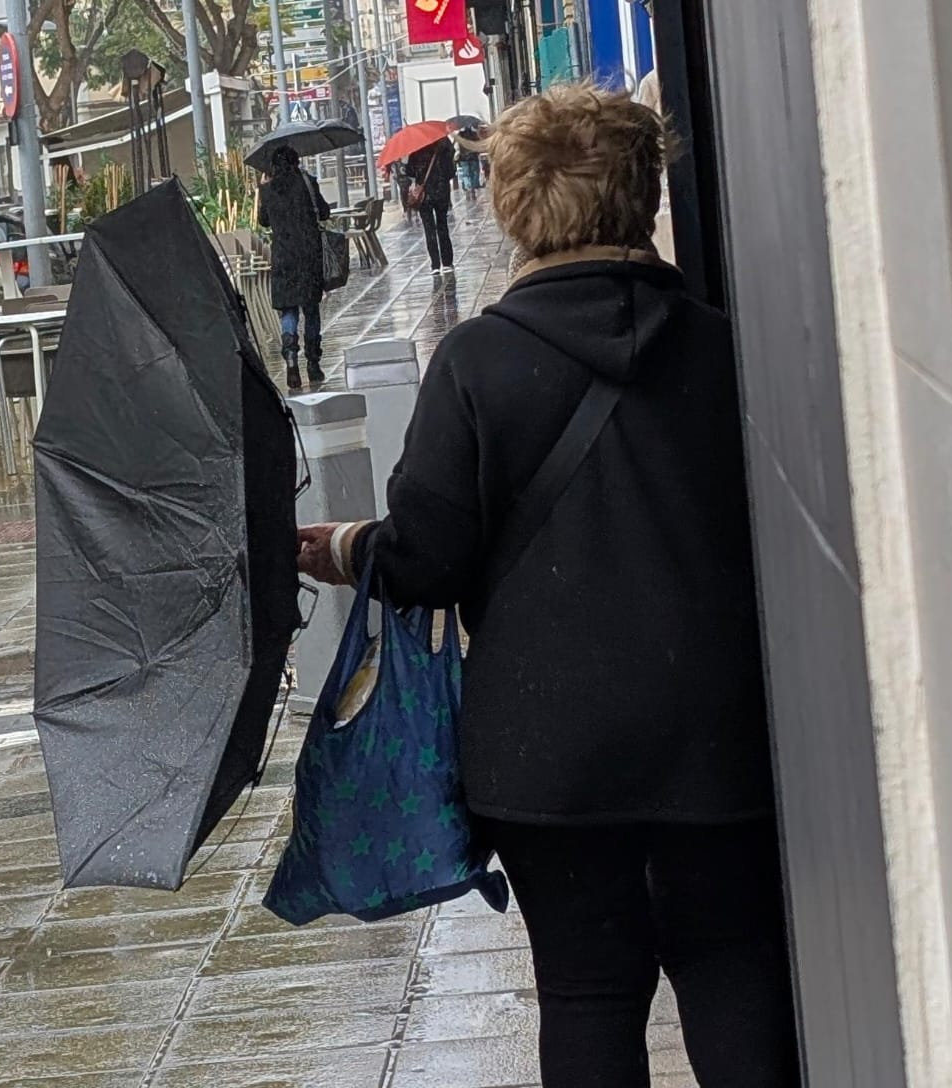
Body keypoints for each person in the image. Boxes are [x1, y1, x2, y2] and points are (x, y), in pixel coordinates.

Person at [296, 83, 798, 1088]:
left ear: (516, 204)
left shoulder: (479, 363)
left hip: (548, 751)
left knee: (586, 992)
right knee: (733, 971)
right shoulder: (725, 343)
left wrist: (345, 546)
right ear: (642, 192)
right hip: (721, 728)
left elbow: (430, 556)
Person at [256, 145, 332, 389]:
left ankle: (291, 359)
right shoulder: (307, 182)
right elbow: (324, 212)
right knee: (311, 310)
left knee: (288, 311)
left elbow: (263, 221)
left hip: (283, 257)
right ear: (296, 161)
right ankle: (313, 363)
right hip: (308, 255)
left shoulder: (268, 189)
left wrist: (263, 188)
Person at [401, 137, 456, 275]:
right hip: (441, 192)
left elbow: (409, 172)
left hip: (424, 195)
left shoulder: (417, 149)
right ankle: (447, 262)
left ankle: (435, 264)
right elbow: (451, 172)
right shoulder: (443, 147)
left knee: (429, 228)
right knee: (442, 225)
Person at [455, 131, 484, 200]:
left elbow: (457, 147)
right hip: (473, 157)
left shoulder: (460, 135)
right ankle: (472, 189)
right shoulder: (474, 134)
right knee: (474, 174)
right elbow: (479, 145)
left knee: (465, 174)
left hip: (463, 158)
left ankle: (468, 187)